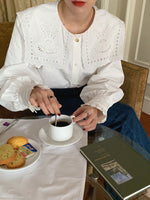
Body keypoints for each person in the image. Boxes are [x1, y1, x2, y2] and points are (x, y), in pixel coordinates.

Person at [0, 1, 150, 151]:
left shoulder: (113, 26)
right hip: (47, 104)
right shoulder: (30, 20)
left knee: (126, 116)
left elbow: (109, 78)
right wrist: (32, 90)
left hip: (90, 97)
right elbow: (11, 75)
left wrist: (97, 107)